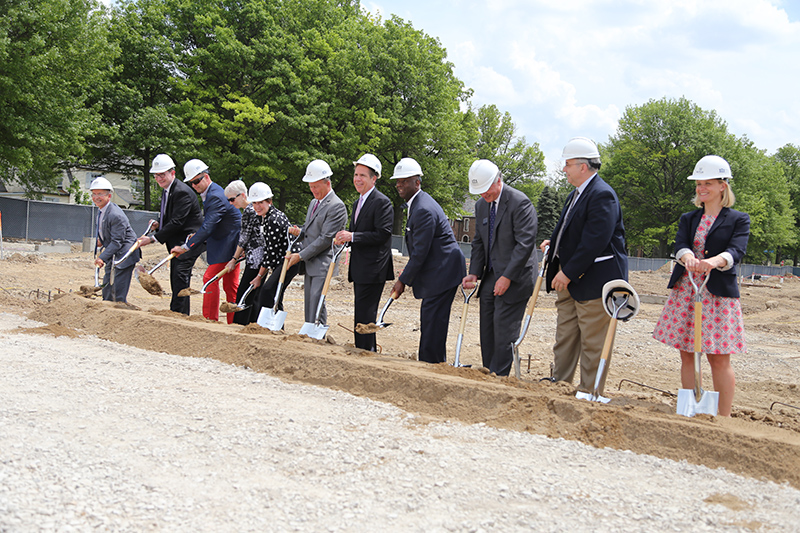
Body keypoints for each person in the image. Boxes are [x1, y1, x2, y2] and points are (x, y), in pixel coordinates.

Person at [653, 155, 750, 417]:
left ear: (723, 186)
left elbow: (736, 250)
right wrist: (687, 257)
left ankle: (723, 416)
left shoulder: (738, 219)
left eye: (708, 183)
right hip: (688, 289)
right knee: (687, 352)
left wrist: (712, 262)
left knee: (718, 357)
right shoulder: (689, 217)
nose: (701, 188)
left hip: (717, 294)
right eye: (698, 183)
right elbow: (680, 244)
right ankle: (691, 408)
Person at [540, 137, 627, 395]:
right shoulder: (576, 194)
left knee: (593, 344)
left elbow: (595, 241)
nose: (564, 169)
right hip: (569, 282)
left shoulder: (602, 195)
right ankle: (561, 386)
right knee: (565, 339)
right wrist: (554, 244)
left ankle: (590, 393)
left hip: (593, 283)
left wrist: (568, 272)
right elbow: (572, 230)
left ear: (583, 166)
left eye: (567, 164)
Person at [462, 159, 538, 376]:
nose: (484, 195)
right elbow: (478, 241)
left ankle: (500, 377)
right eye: (480, 192)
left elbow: (525, 245)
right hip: (491, 274)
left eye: (486, 190)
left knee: (504, 331)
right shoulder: (481, 206)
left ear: (498, 181)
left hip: (516, 277)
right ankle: (489, 371)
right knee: (487, 329)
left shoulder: (519, 203)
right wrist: (474, 273)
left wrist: (507, 277)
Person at [390, 157, 466, 364]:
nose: (399, 185)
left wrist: (403, 280)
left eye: (404, 181)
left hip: (443, 271)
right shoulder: (417, 204)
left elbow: (420, 253)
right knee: (432, 321)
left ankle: (430, 365)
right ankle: (433, 363)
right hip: (439, 270)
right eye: (398, 181)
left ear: (417, 182)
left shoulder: (423, 209)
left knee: (432, 321)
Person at [334, 154, 394, 351]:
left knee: (367, 314)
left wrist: (352, 236)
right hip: (360, 267)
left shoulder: (382, 202)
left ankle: (367, 351)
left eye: (362, 175)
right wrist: (345, 238)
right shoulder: (357, 202)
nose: (357, 179)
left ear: (373, 178)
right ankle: (362, 348)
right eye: (356, 174)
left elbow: (382, 234)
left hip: (373, 268)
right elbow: (355, 232)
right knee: (360, 312)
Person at [171, 159, 241, 323]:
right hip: (229, 242)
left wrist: (186, 246)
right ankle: (235, 321)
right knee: (230, 286)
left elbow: (209, 227)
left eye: (197, 181)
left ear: (206, 176)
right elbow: (210, 222)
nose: (195, 185)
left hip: (229, 244)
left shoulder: (215, 195)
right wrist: (195, 236)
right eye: (191, 183)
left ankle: (210, 319)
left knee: (210, 279)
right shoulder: (212, 193)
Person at [136, 153, 205, 315]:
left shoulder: (181, 192)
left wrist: (153, 239)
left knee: (180, 276)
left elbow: (178, 222)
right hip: (178, 242)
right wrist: (159, 225)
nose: (159, 178)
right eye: (157, 175)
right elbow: (170, 216)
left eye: (163, 174)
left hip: (188, 242)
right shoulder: (168, 190)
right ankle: (178, 312)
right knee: (177, 277)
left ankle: (179, 314)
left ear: (172, 173)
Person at [285, 159, 347, 327]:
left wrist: (300, 255)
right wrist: (301, 231)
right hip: (311, 261)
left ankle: (317, 335)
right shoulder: (314, 203)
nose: (313, 190)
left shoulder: (336, 206)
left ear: (327, 183)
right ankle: (310, 332)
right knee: (309, 302)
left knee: (317, 300)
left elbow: (325, 239)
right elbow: (312, 229)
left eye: (316, 186)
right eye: (311, 187)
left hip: (323, 262)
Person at [225, 181, 291, 325]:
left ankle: (263, 326)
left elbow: (263, 248)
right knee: (265, 294)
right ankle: (263, 325)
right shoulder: (262, 215)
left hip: (280, 259)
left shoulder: (266, 217)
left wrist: (258, 275)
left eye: (261, 202)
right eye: (255, 202)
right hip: (272, 258)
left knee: (262, 292)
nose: (257, 206)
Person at [90, 177, 141, 303]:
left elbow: (117, 242)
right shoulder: (101, 210)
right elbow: (105, 231)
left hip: (125, 253)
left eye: (100, 194)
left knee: (117, 291)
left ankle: (119, 312)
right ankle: (106, 308)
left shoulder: (115, 214)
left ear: (109, 196)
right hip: (114, 252)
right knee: (107, 286)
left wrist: (102, 257)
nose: (97, 197)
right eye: (94, 194)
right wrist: (101, 241)